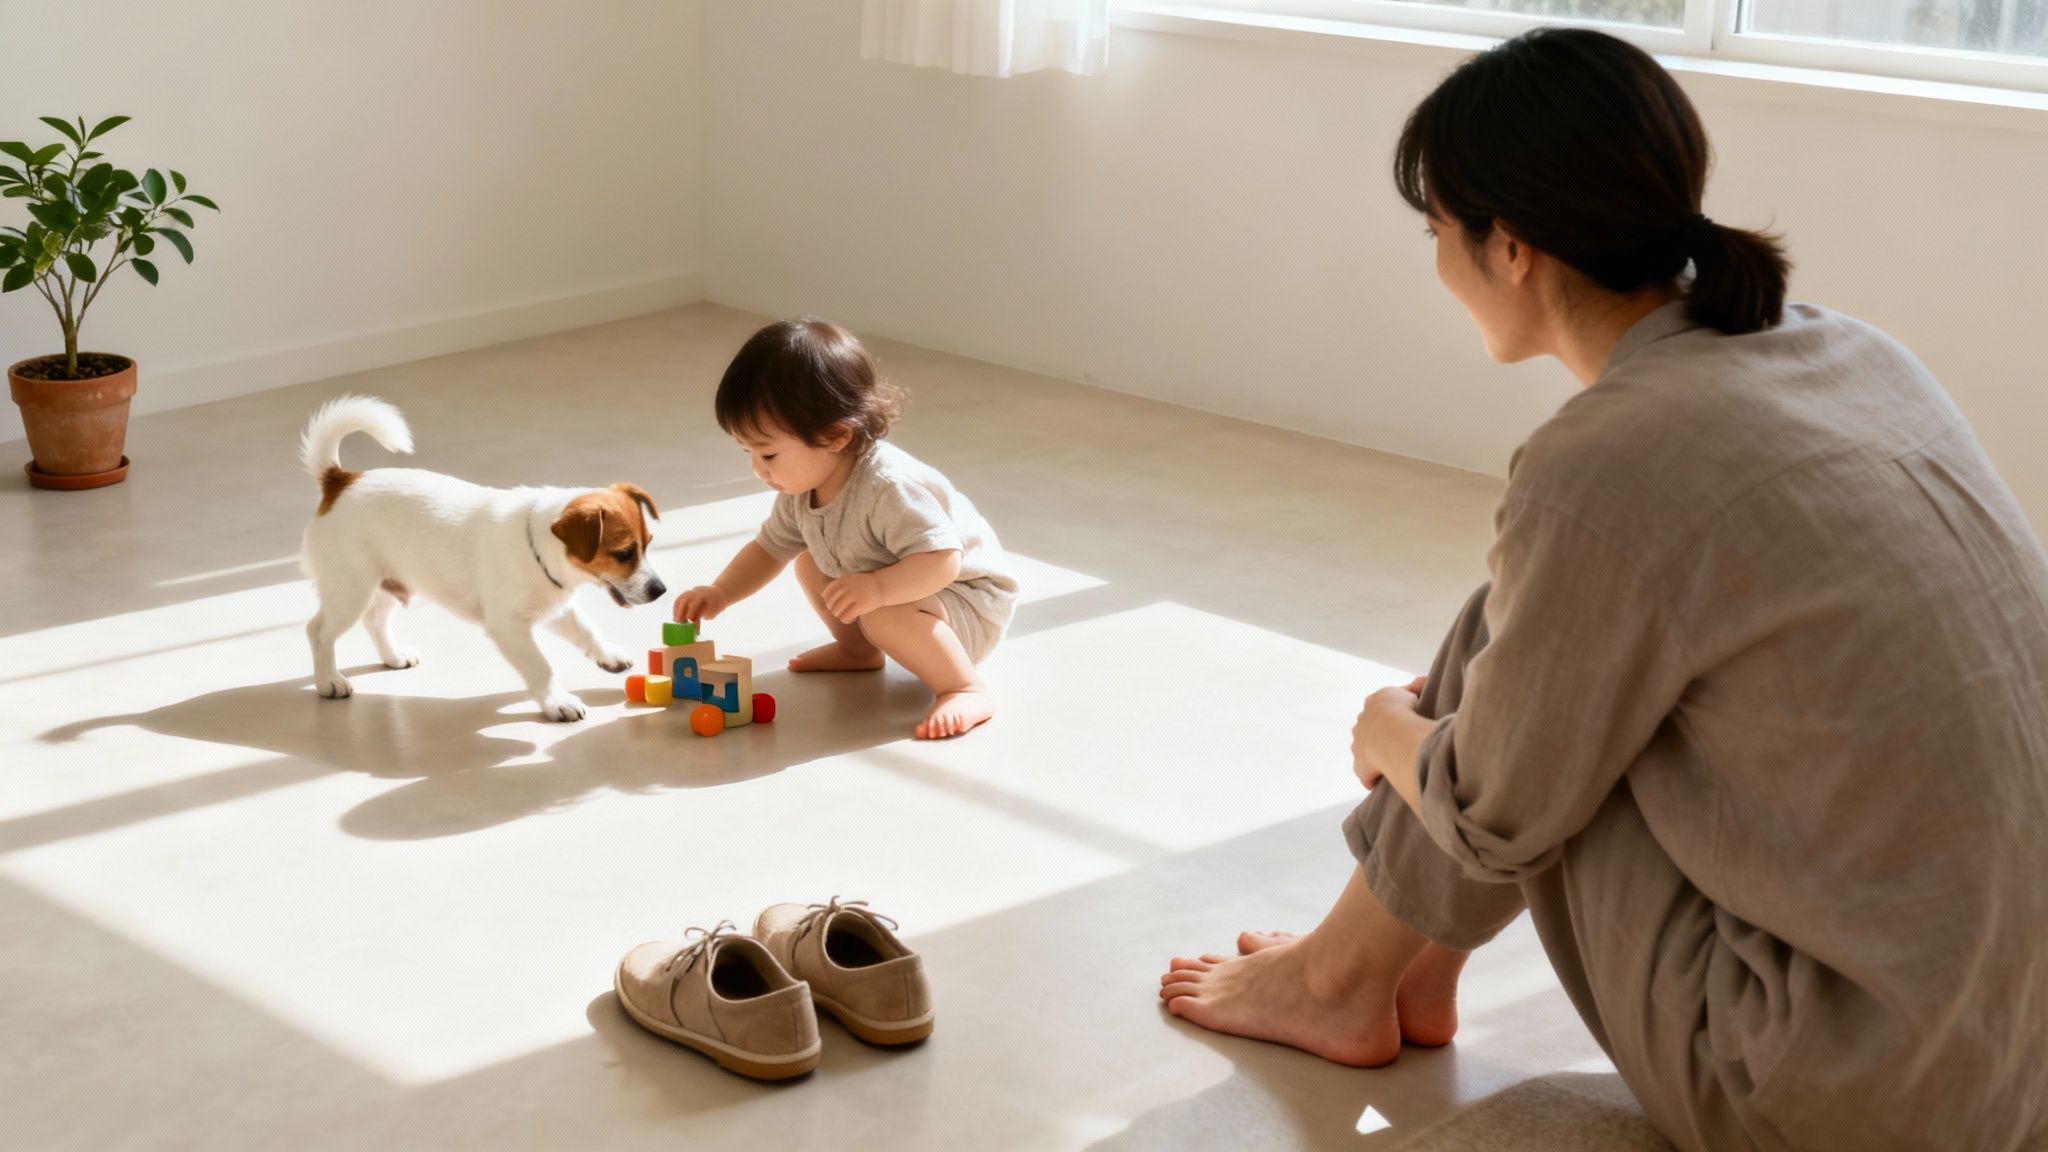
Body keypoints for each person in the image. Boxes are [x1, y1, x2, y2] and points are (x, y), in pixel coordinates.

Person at [1158, 28, 2048, 1152]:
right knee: (1527, 629)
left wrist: (1388, 732)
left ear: (1512, 248)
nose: (1435, 261)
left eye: (1437, 231)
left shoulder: (1609, 461)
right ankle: (1384, 975)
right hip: (2013, 1046)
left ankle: (1340, 980)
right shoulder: (1847, 349)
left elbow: (1494, 816)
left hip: (1848, 1097)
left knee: (1522, 714)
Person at [673, 317, 1018, 740]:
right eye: (747, 452)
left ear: (835, 435)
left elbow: (943, 561)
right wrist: (721, 591)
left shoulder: (889, 486)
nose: (757, 470)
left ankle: (963, 687)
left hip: (968, 602)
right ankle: (859, 651)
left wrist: (878, 588)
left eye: (767, 454)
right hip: (907, 593)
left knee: (881, 611)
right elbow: (768, 549)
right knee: (808, 563)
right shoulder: (803, 487)